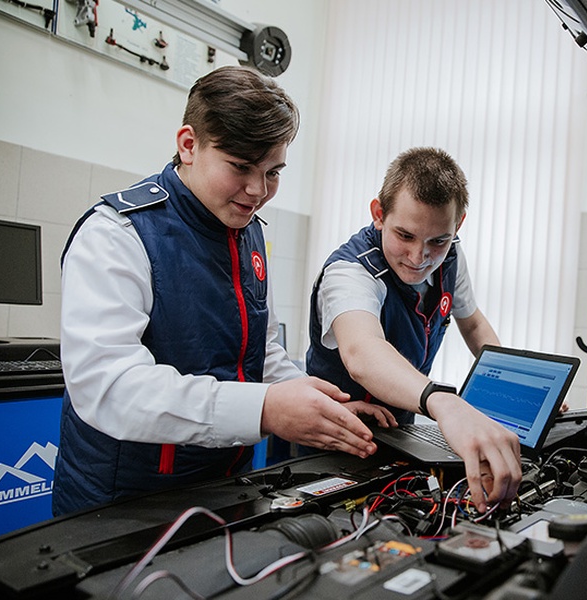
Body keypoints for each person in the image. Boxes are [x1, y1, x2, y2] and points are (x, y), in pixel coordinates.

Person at [52, 65, 393, 516]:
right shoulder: (116, 233)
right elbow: (111, 388)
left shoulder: (246, 230)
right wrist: (267, 409)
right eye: (240, 167)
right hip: (122, 505)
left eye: (273, 172)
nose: (257, 191)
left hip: (222, 488)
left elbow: (260, 351)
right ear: (189, 145)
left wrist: (317, 403)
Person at [306, 147, 522, 512]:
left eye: (438, 240)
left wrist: (510, 389)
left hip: (402, 434)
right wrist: (445, 404)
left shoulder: (450, 257)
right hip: (335, 443)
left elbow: (473, 324)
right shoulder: (349, 272)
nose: (420, 256)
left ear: (458, 226)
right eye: (404, 235)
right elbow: (362, 352)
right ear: (378, 214)